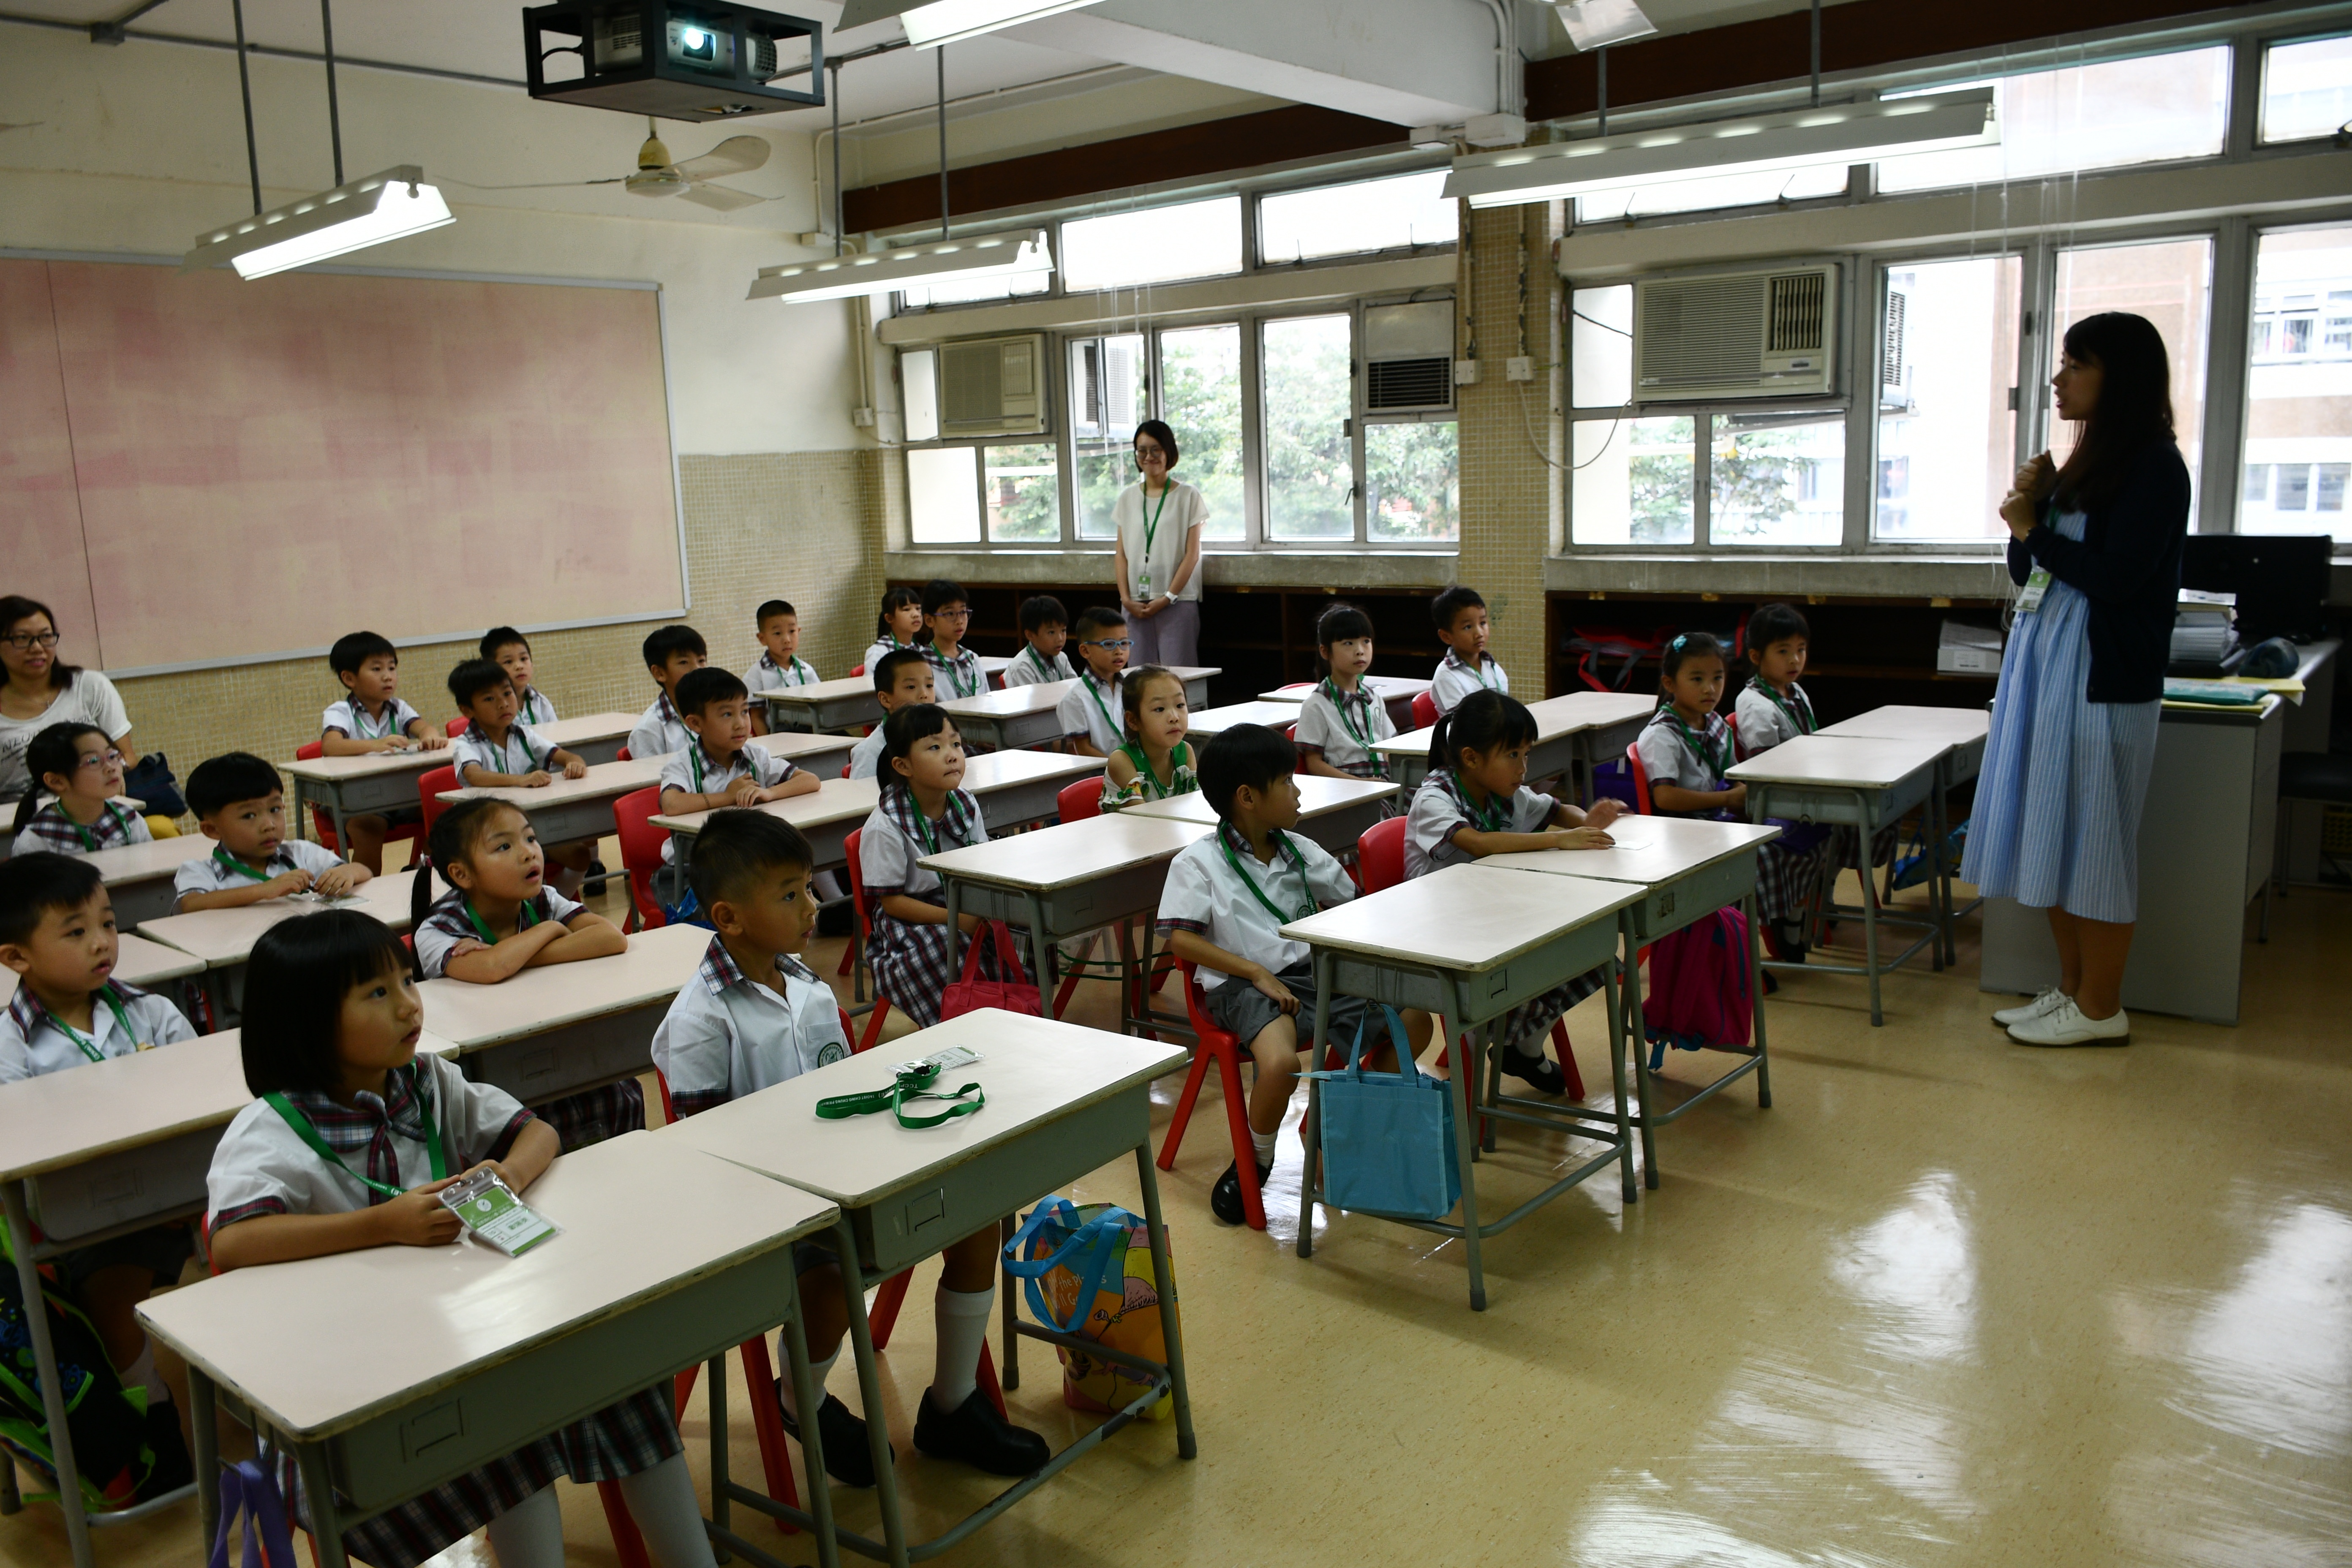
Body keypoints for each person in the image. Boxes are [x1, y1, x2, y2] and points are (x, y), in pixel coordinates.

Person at [204, 911, 718, 1568]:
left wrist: (508, 1174)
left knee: (624, 1385)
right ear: (305, 1022)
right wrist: (380, 1226)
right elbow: (234, 1242)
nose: (408, 1005)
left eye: (405, 982)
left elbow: (537, 1133)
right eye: (377, 993)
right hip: (359, 1383)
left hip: (467, 1342)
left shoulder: (427, 1083)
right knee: (508, 1438)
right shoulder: (268, 1131)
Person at [651, 811, 1051, 1481]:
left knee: (977, 1219)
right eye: (790, 895)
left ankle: (953, 1404)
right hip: (763, 1213)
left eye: (810, 888)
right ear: (728, 917)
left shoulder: (809, 990)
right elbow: (702, 1152)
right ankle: (799, 1400)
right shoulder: (700, 1020)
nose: (813, 906)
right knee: (833, 1280)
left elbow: (843, 1090)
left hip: (846, 1178)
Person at [1963, 311, 2192, 1048]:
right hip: (2049, 670)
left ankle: (2101, 1008)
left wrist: (2032, 527)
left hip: (2101, 680)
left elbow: (2118, 579)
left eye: (2075, 364)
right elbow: (2031, 572)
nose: (2057, 380)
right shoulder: (2088, 464)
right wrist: (2029, 515)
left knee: (2096, 844)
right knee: (2054, 836)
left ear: (2118, 376)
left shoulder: (2155, 467)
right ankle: (2070, 990)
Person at [1156, 724, 1417, 1224]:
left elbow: (1355, 905)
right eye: (1287, 782)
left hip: (1313, 975)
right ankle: (1256, 1158)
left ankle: (1335, 1126)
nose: (1298, 793)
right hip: (1241, 985)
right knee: (1278, 1064)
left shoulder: (1300, 850)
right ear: (1248, 797)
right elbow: (1181, 941)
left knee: (1413, 1020)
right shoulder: (1198, 863)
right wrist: (1255, 971)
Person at [0, 854, 201, 1496]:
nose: (102, 943)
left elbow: (201, 1093)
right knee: (110, 1302)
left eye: (109, 924)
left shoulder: (153, 1013)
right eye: (76, 931)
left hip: (173, 1194)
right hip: (72, 1216)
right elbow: (20, 1147)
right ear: (16, 957)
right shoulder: (10, 1046)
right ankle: (156, 1433)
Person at [1405, 691, 1620, 1095]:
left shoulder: (1505, 792)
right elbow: (1477, 843)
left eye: (1527, 754)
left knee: (1587, 947)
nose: (1523, 768)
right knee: (1536, 958)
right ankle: (1510, 1045)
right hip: (1441, 932)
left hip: (1493, 917)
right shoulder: (1435, 797)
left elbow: (1557, 811)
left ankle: (1524, 1048)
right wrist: (1559, 840)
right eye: (1513, 755)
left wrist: (1587, 823)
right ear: (1471, 758)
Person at [409, 797, 640, 1149]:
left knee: (620, 1098)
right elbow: (492, 969)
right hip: (497, 1070)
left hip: (566, 1042)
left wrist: (517, 952)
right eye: (504, 846)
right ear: (462, 874)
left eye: (530, 838)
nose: (529, 853)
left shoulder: (543, 899)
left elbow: (611, 938)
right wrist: (551, 931)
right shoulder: (437, 929)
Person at [856, 705, 1008, 1029]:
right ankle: (963, 1027)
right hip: (908, 920)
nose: (952, 755)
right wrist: (959, 920)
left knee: (1025, 927)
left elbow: (982, 861)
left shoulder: (964, 802)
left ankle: (1015, 1016)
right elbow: (892, 903)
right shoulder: (885, 826)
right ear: (903, 765)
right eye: (935, 747)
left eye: (956, 743)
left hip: (963, 898)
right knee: (945, 948)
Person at [1732, 603, 1840, 961]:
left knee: (1856, 827)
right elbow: (1768, 770)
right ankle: (1792, 920)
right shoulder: (1755, 704)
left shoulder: (1796, 693)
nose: (1795, 660)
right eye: (1783, 651)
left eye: (1801, 650)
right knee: (1834, 827)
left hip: (1803, 791)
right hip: (1778, 803)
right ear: (1756, 656)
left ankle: (1819, 902)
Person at [448, 659, 594, 897]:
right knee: (517, 865)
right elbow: (474, 775)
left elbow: (565, 755)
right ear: (467, 710)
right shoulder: (467, 744)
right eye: (489, 699)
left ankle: (548, 904)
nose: (503, 704)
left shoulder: (525, 735)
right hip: (488, 835)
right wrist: (520, 780)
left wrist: (574, 763)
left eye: (508, 693)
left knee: (579, 855)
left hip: (530, 826)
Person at [657, 668, 818, 864]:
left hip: (749, 856)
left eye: (744, 711)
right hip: (696, 866)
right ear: (696, 723)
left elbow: (810, 780)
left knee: (803, 851)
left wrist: (770, 793)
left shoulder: (756, 756)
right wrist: (729, 796)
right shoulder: (682, 765)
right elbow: (671, 804)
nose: (741, 724)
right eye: (727, 714)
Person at [319, 631, 447, 874]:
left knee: (444, 812)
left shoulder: (398, 708)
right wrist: (375, 745)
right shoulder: (340, 711)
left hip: (398, 795)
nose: (388, 676)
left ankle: (425, 872)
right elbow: (331, 746)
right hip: (357, 800)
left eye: (392, 668)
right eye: (377, 669)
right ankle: (368, 886)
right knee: (369, 826)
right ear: (349, 678)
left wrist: (429, 736)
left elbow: (424, 728)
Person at [175, 753, 368, 912]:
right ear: (212, 830)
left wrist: (348, 872)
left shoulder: (302, 853)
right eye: (249, 815)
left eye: (275, 809)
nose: (269, 825)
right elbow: (192, 904)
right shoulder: (199, 872)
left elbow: (363, 872)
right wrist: (265, 890)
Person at [0, 594, 133, 807]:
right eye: (22, 638)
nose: (37, 648)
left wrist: (116, 771)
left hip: (97, 806)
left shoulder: (89, 686)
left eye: (46, 636)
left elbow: (127, 756)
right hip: (19, 816)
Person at [1111, 419, 1207, 667]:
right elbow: (1121, 555)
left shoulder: (1188, 495)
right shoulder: (1128, 497)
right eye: (1142, 451)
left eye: (1156, 450)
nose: (1148, 457)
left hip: (1177, 601)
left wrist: (1167, 597)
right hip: (1135, 605)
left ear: (1168, 452)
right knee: (1137, 679)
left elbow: (1192, 554)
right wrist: (1125, 600)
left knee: (1179, 677)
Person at [1635, 634, 1745, 819]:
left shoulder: (1716, 722)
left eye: (1717, 678)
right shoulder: (1662, 734)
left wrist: (1740, 791)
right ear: (1670, 683)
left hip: (1715, 817)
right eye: (1697, 679)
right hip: (1681, 826)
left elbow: (1731, 776)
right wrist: (1726, 799)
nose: (1710, 689)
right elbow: (1665, 797)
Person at [1294, 602, 1395, 789]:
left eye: (1366, 641)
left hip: (1382, 782)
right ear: (1325, 651)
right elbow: (1314, 764)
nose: (1360, 650)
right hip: (1346, 787)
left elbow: (1388, 750)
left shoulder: (1374, 699)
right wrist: (1361, 784)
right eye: (1348, 643)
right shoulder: (1317, 705)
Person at [11, 722, 152, 856]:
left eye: (112, 756)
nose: (111, 768)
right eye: (94, 761)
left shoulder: (130, 819)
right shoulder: (36, 841)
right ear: (56, 781)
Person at [1101, 664, 1198, 810]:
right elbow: (1144, 816)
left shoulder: (1186, 751)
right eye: (1160, 709)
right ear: (1133, 721)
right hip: (1137, 825)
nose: (1174, 717)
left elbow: (1196, 806)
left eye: (1180, 705)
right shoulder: (1122, 760)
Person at [849, 650, 936, 781]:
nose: (924, 694)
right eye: (911, 687)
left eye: (929, 686)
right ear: (886, 699)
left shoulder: (942, 737)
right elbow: (861, 794)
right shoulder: (870, 752)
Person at [1057, 605, 1130, 758]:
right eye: (1109, 644)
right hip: (1101, 769)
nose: (1119, 651)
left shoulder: (1131, 688)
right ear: (1085, 651)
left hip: (1135, 766)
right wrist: (1119, 767)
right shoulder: (1075, 700)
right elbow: (1083, 749)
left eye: (1124, 643)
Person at [628, 625, 709, 761]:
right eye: (684, 662)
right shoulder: (649, 730)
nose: (697, 669)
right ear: (659, 673)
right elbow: (653, 775)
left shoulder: (715, 711)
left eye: (701, 661)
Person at [1429, 585, 1506, 716]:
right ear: (1446, 636)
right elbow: (1462, 722)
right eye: (1468, 627)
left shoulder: (1492, 666)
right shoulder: (1446, 675)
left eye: (1483, 623)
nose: (1479, 634)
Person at [916, 579, 985, 705]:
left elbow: (987, 701)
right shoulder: (922, 664)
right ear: (930, 620)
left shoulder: (972, 659)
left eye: (963, 612)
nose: (959, 621)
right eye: (950, 614)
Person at [481, 626, 559, 727]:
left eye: (523, 659)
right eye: (508, 662)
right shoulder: (489, 708)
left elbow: (557, 733)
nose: (519, 666)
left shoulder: (541, 702)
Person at [746, 599, 821, 702]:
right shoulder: (756, 675)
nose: (787, 640)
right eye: (778, 633)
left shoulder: (807, 671)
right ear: (762, 639)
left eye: (792, 631)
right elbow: (755, 711)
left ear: (798, 631)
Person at [1003, 596, 1075, 688]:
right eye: (1051, 632)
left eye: (1063, 631)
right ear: (1030, 635)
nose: (1060, 639)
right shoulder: (1022, 667)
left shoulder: (1062, 658)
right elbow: (1031, 698)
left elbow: (1076, 690)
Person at [863, 586, 926, 676]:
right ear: (889, 618)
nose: (916, 615)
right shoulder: (879, 652)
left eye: (918, 608)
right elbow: (872, 684)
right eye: (907, 609)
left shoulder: (920, 649)